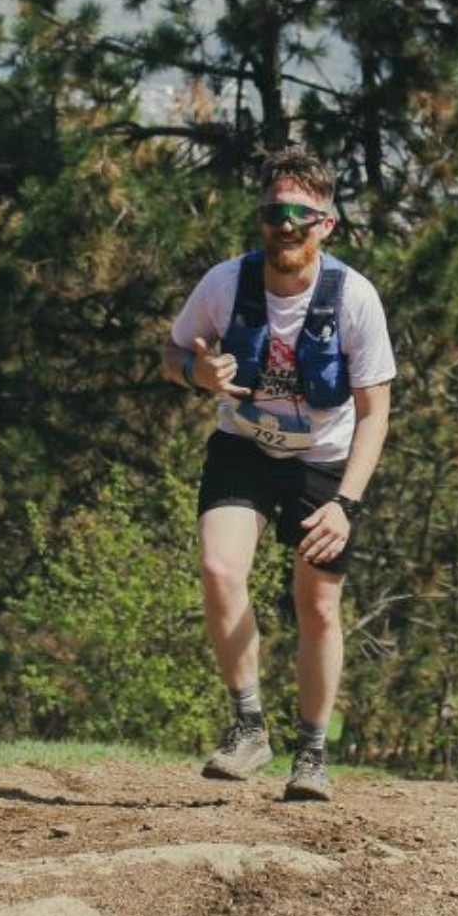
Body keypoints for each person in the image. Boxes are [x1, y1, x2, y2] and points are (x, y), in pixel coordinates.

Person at [163, 149, 395, 803]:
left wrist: (347, 503)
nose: (286, 226)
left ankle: (313, 753)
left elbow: (376, 412)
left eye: (302, 215)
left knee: (318, 605)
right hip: (245, 446)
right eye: (274, 213)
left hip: (325, 463)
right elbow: (172, 350)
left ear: (328, 225)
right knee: (218, 569)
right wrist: (195, 374)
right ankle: (248, 724)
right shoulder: (225, 284)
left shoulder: (352, 298)